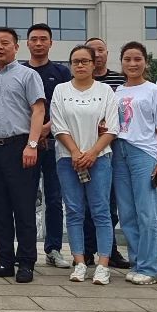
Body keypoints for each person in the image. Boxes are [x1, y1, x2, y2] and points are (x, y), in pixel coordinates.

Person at [0, 27, 45, 283]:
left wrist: (32, 144)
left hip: (20, 147)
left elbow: (38, 110)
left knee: (23, 207)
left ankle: (26, 262)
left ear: (16, 47)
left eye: (5, 43)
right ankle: (4, 261)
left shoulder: (28, 75)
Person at [51, 45, 120, 285]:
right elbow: (58, 126)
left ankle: (103, 264)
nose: (80, 65)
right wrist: (75, 152)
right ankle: (79, 261)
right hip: (67, 158)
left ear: (93, 64)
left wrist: (92, 153)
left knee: (101, 211)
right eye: (75, 61)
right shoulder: (61, 90)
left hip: (100, 158)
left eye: (85, 61)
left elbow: (112, 127)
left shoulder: (106, 91)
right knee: (74, 210)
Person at [115, 41, 157, 285]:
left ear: (145, 62)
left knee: (146, 213)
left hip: (144, 152)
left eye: (137, 59)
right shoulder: (117, 92)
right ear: (121, 63)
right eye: (127, 59)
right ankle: (137, 262)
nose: (132, 64)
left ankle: (151, 268)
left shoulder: (154, 91)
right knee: (127, 213)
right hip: (119, 151)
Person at [25, 23, 72, 269]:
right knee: (25, 198)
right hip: (27, 145)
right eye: (34, 39)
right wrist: (34, 133)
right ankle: (26, 249)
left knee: (54, 199)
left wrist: (47, 128)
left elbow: (66, 105)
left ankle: (53, 248)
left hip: (55, 143)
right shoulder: (21, 71)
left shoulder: (62, 72)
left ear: (51, 43)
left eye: (43, 39)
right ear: (27, 43)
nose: (39, 43)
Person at [83, 36, 128, 269]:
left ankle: (109, 250)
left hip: (113, 148)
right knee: (85, 204)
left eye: (100, 50)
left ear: (107, 54)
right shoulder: (79, 82)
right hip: (84, 149)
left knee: (109, 203)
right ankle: (86, 250)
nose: (97, 54)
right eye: (92, 51)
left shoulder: (121, 81)